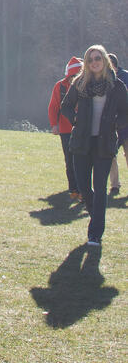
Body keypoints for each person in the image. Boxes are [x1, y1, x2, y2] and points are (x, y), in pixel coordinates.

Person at [61, 45, 128, 247]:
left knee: (100, 188)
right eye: (90, 60)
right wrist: (76, 121)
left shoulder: (116, 86)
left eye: (98, 58)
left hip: (104, 143)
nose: (94, 62)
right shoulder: (80, 83)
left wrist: (117, 124)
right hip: (82, 142)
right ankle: (95, 217)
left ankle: (95, 234)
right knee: (83, 187)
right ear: (87, 63)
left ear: (105, 60)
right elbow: (65, 106)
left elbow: (126, 111)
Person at [47, 57, 83, 200]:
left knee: (82, 160)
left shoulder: (87, 85)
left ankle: (83, 190)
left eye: (77, 76)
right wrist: (54, 125)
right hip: (66, 130)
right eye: (72, 76)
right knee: (70, 160)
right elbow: (53, 107)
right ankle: (74, 189)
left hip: (82, 129)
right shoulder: (60, 87)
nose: (74, 79)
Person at [108, 53, 128, 189]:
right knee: (110, 154)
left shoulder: (125, 77)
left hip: (125, 123)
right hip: (111, 124)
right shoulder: (103, 79)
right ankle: (115, 184)